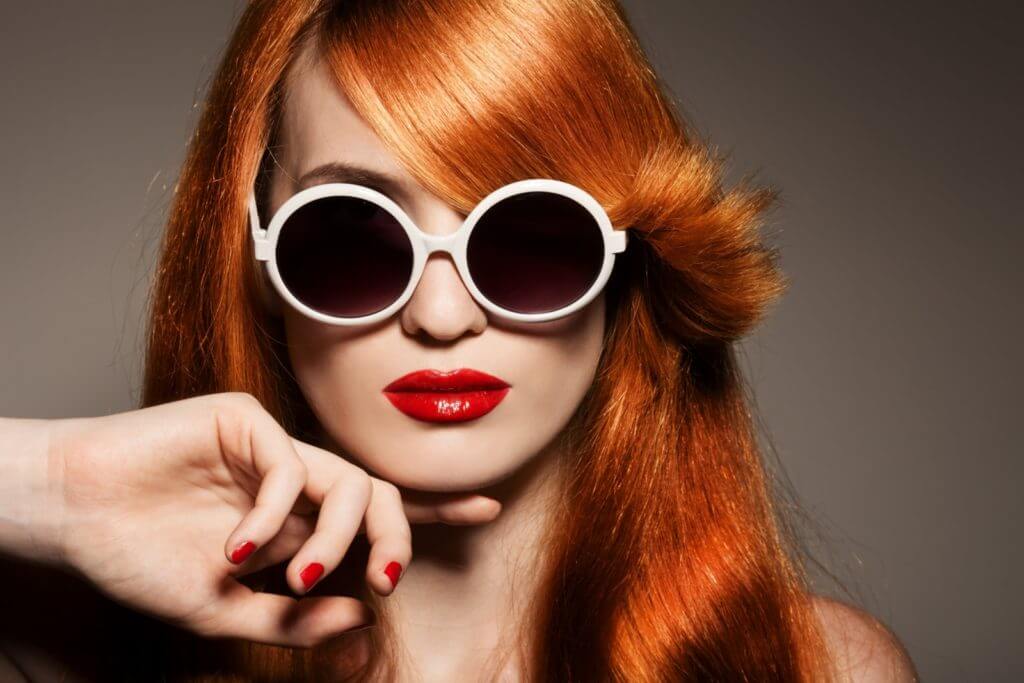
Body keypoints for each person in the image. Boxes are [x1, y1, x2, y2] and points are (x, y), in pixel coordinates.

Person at [0, 0, 919, 680]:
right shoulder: (73, 650)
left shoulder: (812, 668)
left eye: (528, 236)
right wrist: (48, 484)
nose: (442, 316)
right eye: (353, 236)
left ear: (629, 262)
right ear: (261, 265)